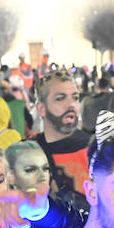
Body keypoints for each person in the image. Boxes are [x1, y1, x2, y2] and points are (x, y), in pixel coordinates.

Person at [34, 72, 91, 206]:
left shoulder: (98, 149)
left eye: (75, 98)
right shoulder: (26, 152)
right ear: (42, 109)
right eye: (60, 99)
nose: (71, 105)